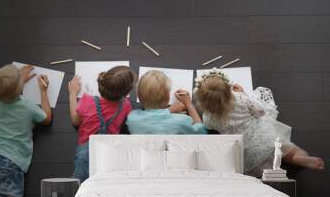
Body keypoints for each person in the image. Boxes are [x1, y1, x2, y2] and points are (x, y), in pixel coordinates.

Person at [194, 70, 325, 176]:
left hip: (247, 149)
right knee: (289, 150)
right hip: (264, 136)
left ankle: (277, 170)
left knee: (262, 167)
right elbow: (260, 112)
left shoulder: (208, 118)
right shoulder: (241, 99)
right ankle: (297, 158)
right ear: (228, 92)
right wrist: (243, 92)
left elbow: (209, 127)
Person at [0, 64, 52, 197]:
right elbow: (47, 118)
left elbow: (7, 93)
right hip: (11, 164)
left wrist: (17, 80)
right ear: (19, 89)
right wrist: (43, 91)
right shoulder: (28, 106)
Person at [68, 66, 135, 182]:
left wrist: (72, 94)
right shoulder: (126, 106)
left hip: (85, 153)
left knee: (79, 186)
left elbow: (75, 120)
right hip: (110, 153)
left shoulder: (86, 100)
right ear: (126, 93)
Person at [126, 70, 208, 135]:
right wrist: (189, 104)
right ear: (168, 97)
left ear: (139, 96)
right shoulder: (182, 121)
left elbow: (152, 120)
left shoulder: (133, 118)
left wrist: (169, 110)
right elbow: (202, 133)